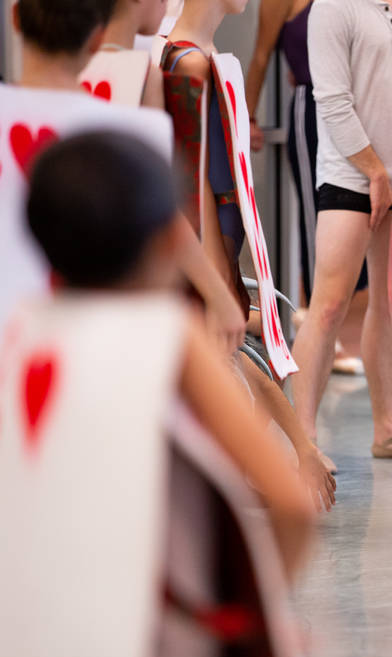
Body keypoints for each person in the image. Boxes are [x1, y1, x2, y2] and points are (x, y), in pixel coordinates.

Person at [9, 131, 315, 657]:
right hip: (147, 653)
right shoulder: (171, 337)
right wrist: (253, 618)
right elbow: (293, 506)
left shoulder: (16, 336)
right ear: (166, 242)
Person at [161, 0, 337, 505]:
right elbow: (194, 191)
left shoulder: (202, 58)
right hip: (208, 251)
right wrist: (219, 280)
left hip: (220, 247)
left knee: (230, 354)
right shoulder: (188, 64)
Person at [5, 0, 246, 357]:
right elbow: (165, 211)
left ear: (15, 20)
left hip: (24, 314)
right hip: (102, 317)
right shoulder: (132, 88)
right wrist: (217, 292)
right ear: (96, 35)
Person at [287, 0, 392, 460]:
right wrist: (372, 170)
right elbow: (330, 98)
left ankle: (388, 430)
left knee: (391, 307)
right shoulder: (332, 7)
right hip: (349, 174)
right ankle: (302, 440)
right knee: (328, 306)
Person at [245, 0, 318, 301]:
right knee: (318, 217)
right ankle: (317, 314)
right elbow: (261, 57)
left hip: (360, 108)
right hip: (312, 107)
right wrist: (247, 118)